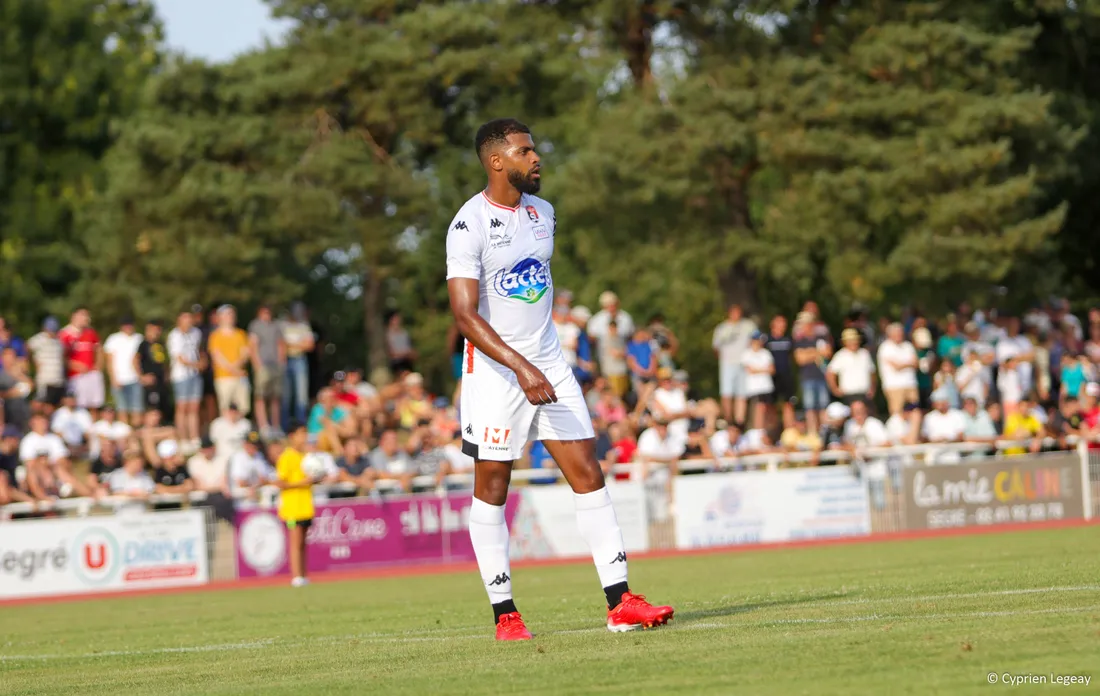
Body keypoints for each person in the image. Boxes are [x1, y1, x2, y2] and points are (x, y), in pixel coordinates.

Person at [445, 118, 672, 641]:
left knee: (588, 472)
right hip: (496, 376)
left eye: (535, 150)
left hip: (549, 364)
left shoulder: (544, 213)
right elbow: (464, 315)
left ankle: (621, 602)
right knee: (493, 489)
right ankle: (505, 614)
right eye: (524, 152)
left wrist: (539, 361)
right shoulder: (467, 224)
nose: (536, 158)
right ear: (496, 161)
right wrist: (519, 366)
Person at [274, 422, 315, 587]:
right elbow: (280, 482)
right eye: (301, 434)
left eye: (305, 433)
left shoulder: (306, 456)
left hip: (305, 505)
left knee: (303, 542)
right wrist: (303, 482)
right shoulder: (287, 456)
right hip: (292, 507)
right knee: (295, 542)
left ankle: (304, 575)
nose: (304, 437)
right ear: (292, 436)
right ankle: (296, 576)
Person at [712, 304, 756, 425]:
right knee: (726, 393)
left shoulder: (748, 326)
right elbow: (715, 347)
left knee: (741, 394)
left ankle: (739, 422)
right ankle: (728, 421)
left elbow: (756, 340)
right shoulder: (722, 328)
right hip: (727, 363)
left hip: (743, 364)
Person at [167, 310, 204, 450]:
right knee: (182, 407)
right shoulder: (174, 336)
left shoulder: (196, 333)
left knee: (194, 407)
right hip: (181, 376)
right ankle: (183, 438)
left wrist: (202, 361)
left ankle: (194, 437)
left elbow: (199, 350)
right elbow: (179, 358)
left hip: (195, 375)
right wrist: (197, 365)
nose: (188, 321)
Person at [248, 304, 286, 439]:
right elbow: (253, 345)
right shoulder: (255, 326)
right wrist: (258, 365)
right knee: (260, 396)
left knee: (275, 397)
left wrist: (281, 362)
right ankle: (263, 426)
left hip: (275, 366)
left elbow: (280, 344)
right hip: (263, 366)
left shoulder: (276, 326)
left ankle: (276, 426)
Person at [59, 307, 105, 417]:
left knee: (94, 404)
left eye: (87, 316)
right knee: (79, 404)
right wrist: (75, 366)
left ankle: (92, 425)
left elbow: (99, 349)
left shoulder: (90, 333)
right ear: (74, 316)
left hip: (91, 374)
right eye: (83, 315)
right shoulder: (65, 334)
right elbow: (61, 356)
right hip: (76, 376)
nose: (86, 318)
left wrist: (98, 365)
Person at [208, 305, 251, 417]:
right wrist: (233, 369)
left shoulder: (241, 334)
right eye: (227, 314)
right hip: (223, 377)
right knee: (225, 407)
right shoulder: (215, 336)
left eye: (232, 314)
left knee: (243, 407)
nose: (230, 317)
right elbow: (217, 356)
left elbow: (245, 354)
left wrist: (236, 367)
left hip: (240, 376)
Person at [104, 316, 145, 426]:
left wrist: (141, 376)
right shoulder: (113, 339)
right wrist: (113, 378)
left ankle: (135, 433)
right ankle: (125, 434)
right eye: (125, 325)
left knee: (137, 409)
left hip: (135, 379)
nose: (128, 327)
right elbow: (109, 361)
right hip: (119, 379)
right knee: (122, 409)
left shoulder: (139, 338)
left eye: (130, 325)